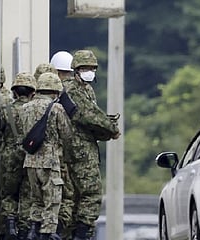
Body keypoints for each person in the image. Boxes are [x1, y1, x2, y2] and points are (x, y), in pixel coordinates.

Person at [62, 50, 120, 240]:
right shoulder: (71, 88)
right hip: (78, 150)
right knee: (91, 193)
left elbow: (93, 117)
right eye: (85, 68)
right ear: (76, 69)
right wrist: (111, 128)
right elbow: (88, 116)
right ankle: (81, 233)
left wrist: (106, 127)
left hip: (84, 147)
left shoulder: (86, 89)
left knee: (77, 197)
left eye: (92, 68)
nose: (90, 71)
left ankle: (77, 233)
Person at [20, 72, 73, 240]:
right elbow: (67, 134)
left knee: (36, 199)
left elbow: (22, 134)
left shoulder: (25, 108)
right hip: (50, 162)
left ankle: (33, 230)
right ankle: (47, 233)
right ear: (55, 91)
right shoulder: (56, 108)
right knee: (52, 199)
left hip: (30, 161)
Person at [0, 72, 36, 240]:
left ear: (14, 92)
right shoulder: (35, 110)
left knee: (8, 194)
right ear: (32, 93)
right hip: (29, 157)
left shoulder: (6, 110)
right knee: (27, 194)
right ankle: (24, 229)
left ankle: (10, 224)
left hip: (9, 157)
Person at [49, 51, 77, 239]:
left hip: (39, 159)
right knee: (65, 198)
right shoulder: (64, 101)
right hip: (60, 158)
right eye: (63, 74)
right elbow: (68, 133)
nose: (64, 79)